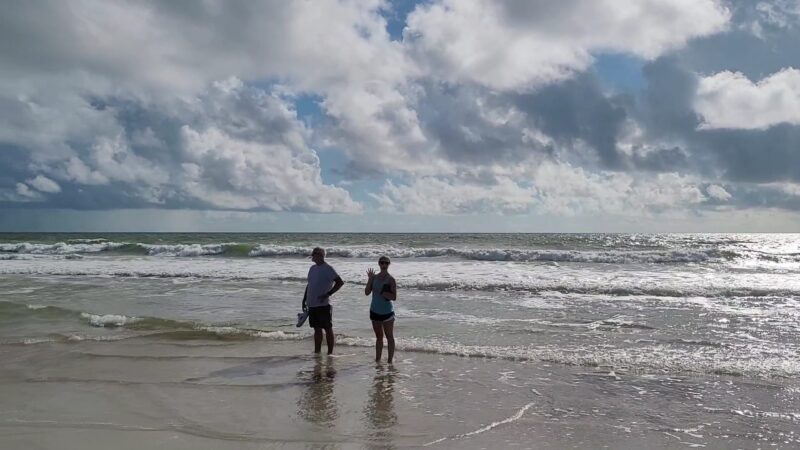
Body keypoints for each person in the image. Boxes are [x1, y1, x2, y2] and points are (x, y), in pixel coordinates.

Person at [302, 247, 344, 354]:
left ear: (321, 255)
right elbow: (309, 285)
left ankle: (330, 353)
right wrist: (304, 299)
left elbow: (340, 282)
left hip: (323, 305)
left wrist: (328, 294)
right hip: (312, 304)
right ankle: (317, 351)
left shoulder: (328, 268)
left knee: (327, 328)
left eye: (314, 253)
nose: (312, 255)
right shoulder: (312, 268)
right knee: (316, 329)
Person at [365, 256, 397, 363]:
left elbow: (394, 297)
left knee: (389, 337)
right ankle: (378, 360)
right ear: (379, 264)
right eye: (382, 263)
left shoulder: (391, 279)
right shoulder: (374, 278)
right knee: (379, 337)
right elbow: (366, 292)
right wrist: (370, 279)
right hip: (374, 311)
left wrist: (384, 293)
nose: (384, 265)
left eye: (386, 263)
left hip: (387, 313)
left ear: (389, 265)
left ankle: (390, 361)